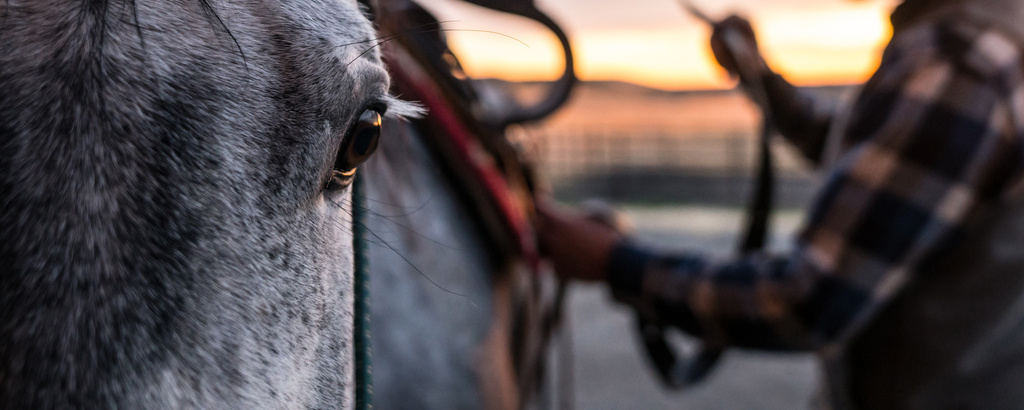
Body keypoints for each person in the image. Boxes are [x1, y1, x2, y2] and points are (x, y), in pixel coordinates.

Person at [535, 0, 1024, 408]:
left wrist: (615, 262)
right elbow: (879, 164)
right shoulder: (985, 43)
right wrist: (763, 80)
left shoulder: (960, 63)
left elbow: (808, 300)